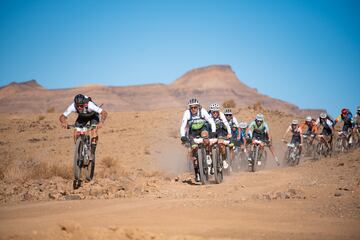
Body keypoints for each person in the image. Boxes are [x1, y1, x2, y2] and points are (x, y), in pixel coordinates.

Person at [59, 94, 108, 159]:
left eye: (81, 106)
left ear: (84, 104)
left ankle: (92, 153)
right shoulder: (73, 106)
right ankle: (79, 148)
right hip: (83, 116)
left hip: (93, 115)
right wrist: (63, 122)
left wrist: (101, 122)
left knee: (94, 130)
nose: (79, 107)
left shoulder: (90, 105)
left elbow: (104, 113)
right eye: (77, 106)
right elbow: (62, 116)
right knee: (76, 130)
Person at [179, 98, 216, 182]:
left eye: (195, 107)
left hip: (202, 129)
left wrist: (213, 131)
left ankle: (209, 157)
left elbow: (211, 121)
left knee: (206, 138)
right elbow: (183, 126)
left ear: (198, 107)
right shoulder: (187, 113)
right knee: (193, 150)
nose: (193, 109)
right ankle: (197, 172)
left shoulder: (202, 111)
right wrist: (183, 136)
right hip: (192, 132)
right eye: (191, 107)